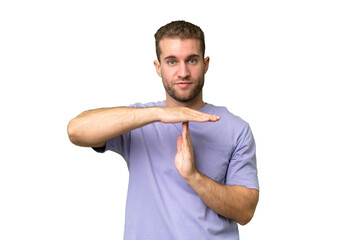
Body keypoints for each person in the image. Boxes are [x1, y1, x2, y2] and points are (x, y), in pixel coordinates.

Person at [67, 20, 259, 239]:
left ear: (205, 64)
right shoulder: (137, 121)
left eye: (192, 60)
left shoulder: (236, 128)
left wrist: (194, 176)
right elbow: (76, 130)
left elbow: (245, 211)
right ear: (158, 67)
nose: (183, 72)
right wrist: (158, 113)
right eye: (171, 62)